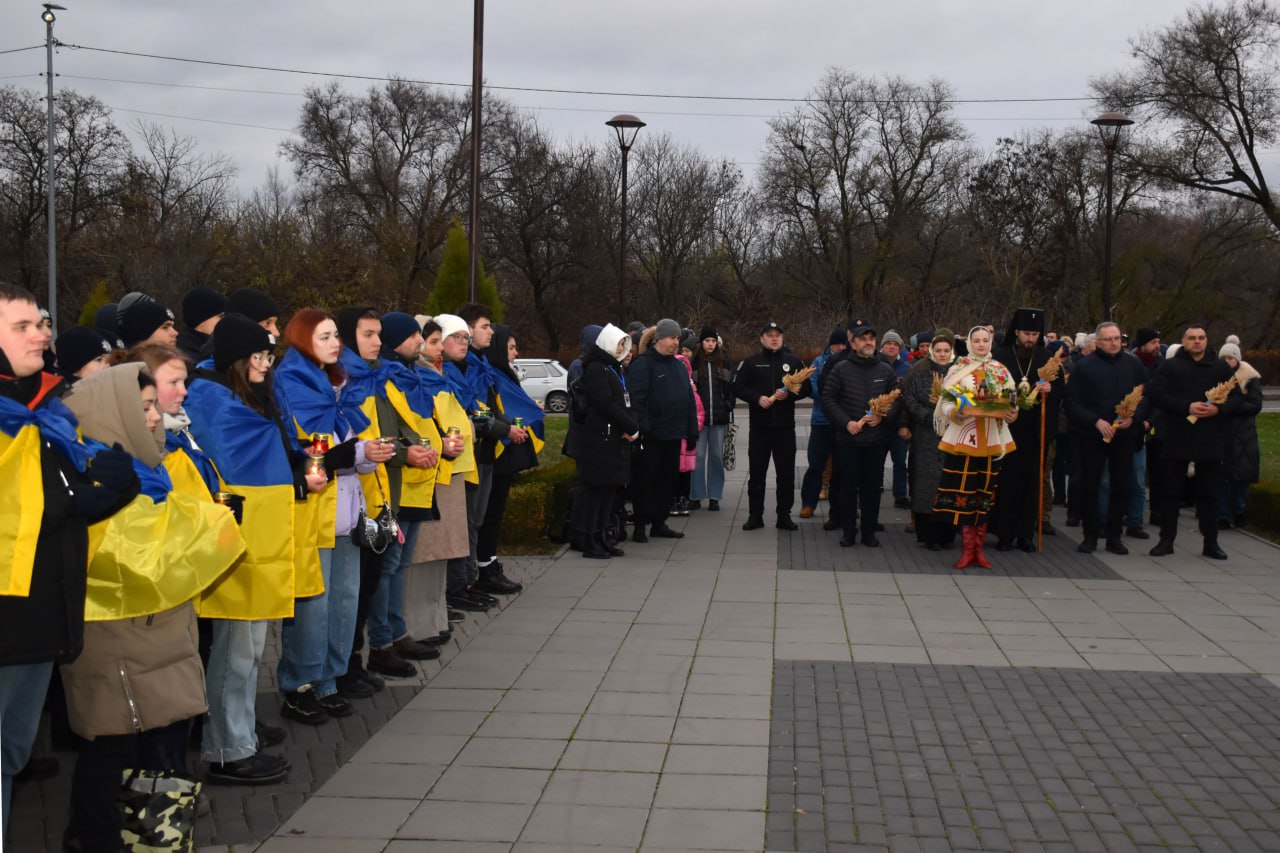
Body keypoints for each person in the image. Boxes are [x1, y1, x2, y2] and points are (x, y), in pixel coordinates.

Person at [60, 363, 243, 846]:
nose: (153, 415)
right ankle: (102, 840)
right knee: (115, 749)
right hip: (121, 640)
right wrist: (211, 526)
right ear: (112, 411)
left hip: (151, 635)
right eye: (140, 407)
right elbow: (133, 557)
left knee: (153, 751)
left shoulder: (147, 468)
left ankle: (151, 840)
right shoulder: (100, 472)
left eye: (150, 405)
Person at [0, 284, 140, 842]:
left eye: (42, 323)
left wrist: (96, 487)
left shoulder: (45, 411)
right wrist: (88, 495)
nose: (42, 333)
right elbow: (37, 504)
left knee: (11, 752)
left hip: (41, 616)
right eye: (23, 326)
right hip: (10, 614)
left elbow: (57, 493)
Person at [186, 314, 317, 783]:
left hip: (256, 542)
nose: (266, 365)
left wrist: (299, 467)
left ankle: (238, 737)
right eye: (259, 356)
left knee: (247, 651)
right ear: (236, 360)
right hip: (238, 545)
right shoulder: (215, 403)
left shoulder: (240, 398)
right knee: (235, 653)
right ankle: (226, 748)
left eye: (268, 356)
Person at [273, 308, 390, 724]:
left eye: (336, 335)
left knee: (344, 600)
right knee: (314, 605)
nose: (335, 343)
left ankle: (329, 679)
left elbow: (348, 442)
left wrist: (367, 455)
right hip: (313, 513)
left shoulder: (340, 382)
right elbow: (310, 451)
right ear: (304, 340)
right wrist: (356, 453)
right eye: (324, 337)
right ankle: (298, 684)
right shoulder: (292, 383)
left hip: (347, 508)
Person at [444, 305, 526, 605]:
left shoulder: (478, 365)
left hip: (484, 451)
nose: (490, 332)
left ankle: (468, 581)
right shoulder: (452, 371)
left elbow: (487, 407)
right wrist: (504, 430)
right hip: (469, 453)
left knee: (475, 520)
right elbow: (473, 412)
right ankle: (460, 585)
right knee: (465, 521)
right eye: (484, 326)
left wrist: (505, 426)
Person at [1146, 324, 1239, 559]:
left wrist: (1218, 410)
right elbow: (1156, 394)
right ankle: (1166, 540)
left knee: (1209, 494)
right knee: (1171, 493)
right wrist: (1186, 406)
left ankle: (1211, 542)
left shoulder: (1219, 367)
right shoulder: (1171, 366)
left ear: (1207, 341)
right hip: (1177, 435)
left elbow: (1236, 398)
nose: (1197, 342)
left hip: (1210, 437)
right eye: (1192, 338)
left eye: (1201, 338)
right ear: (1184, 341)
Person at [933, 326, 1017, 570]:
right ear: (970, 343)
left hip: (992, 439)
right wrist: (956, 411)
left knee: (985, 496)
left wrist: (1012, 413)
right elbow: (946, 402)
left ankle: (978, 550)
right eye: (977, 340)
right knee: (965, 495)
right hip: (964, 439)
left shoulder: (1000, 371)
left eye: (985, 340)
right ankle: (967, 549)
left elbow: (1011, 399)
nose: (981, 344)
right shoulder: (958, 369)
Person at [1064, 321, 1148, 555]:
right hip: (1093, 435)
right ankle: (1090, 535)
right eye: (1108, 339)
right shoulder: (1084, 367)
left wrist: (1135, 418)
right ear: (1098, 342)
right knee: (1090, 485)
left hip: (1124, 434)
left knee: (1121, 485)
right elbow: (1071, 401)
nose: (1114, 343)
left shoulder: (1133, 365)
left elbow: (1147, 395)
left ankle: (1114, 537)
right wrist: (1095, 421)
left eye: (1117, 339)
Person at [822, 321, 901, 547]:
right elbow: (828, 399)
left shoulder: (885, 369)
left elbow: (896, 399)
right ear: (853, 343)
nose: (868, 342)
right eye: (863, 338)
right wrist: (846, 422)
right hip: (849, 440)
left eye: (871, 339)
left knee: (872, 488)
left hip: (876, 441)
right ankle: (849, 531)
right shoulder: (841, 368)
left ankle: (869, 531)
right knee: (847, 487)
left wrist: (883, 417)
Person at [989, 308, 1061, 552]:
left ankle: (1025, 535)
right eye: (1026, 333)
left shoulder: (1047, 359)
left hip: (1034, 432)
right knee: (1007, 483)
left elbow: (1061, 394)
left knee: (1032, 485)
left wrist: (1051, 391)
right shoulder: (1000, 356)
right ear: (1017, 332)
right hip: (1007, 429)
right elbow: (992, 388)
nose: (1030, 338)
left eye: (1034, 333)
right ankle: (1004, 534)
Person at [476, 324, 542, 587]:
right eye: (511, 347)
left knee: (493, 513)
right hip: (494, 452)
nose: (515, 353)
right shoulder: (492, 374)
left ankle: (489, 564)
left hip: (498, 452)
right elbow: (497, 409)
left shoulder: (500, 373)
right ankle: (485, 568)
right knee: (488, 514)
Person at [733, 321, 810, 531]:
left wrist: (788, 395)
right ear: (762, 339)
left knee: (786, 474)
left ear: (782, 338)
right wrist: (757, 398)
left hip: (785, 429)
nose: (774, 338)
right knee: (757, 473)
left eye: (778, 335)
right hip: (760, 429)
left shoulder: (794, 362)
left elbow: (807, 388)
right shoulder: (751, 362)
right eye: (769, 335)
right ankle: (755, 515)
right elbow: (738, 387)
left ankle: (784, 515)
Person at [573, 324, 640, 558]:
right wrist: (630, 426)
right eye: (620, 344)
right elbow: (605, 403)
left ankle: (602, 537)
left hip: (613, 438)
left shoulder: (613, 368)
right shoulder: (596, 368)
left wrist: (630, 425)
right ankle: (590, 540)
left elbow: (624, 401)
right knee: (596, 492)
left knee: (608, 492)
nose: (623, 348)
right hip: (600, 438)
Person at [628, 319, 698, 541]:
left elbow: (688, 400)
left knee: (667, 482)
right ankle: (640, 524)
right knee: (645, 481)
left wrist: (691, 430)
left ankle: (659, 522)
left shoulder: (678, 366)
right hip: (652, 437)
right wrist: (645, 428)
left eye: (678, 338)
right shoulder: (643, 364)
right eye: (672, 338)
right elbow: (637, 400)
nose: (676, 342)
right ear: (658, 339)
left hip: (674, 434)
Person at [902, 328, 955, 550]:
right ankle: (927, 533)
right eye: (938, 350)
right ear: (932, 351)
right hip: (925, 434)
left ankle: (947, 533)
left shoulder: (959, 371)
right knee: (924, 483)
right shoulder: (919, 370)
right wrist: (931, 416)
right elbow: (910, 400)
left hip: (953, 434)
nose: (942, 354)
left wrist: (953, 415)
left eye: (946, 350)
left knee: (948, 484)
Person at [800, 329, 847, 518]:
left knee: (843, 466)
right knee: (816, 465)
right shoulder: (819, 362)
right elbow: (811, 386)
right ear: (831, 345)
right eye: (838, 344)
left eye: (844, 344)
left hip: (843, 421)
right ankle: (808, 503)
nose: (841, 348)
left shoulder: (850, 361)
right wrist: (830, 397)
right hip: (821, 420)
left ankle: (843, 505)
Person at [1217, 342, 1262, 529]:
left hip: (1244, 433)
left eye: (1231, 358)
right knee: (1223, 476)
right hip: (1224, 432)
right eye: (1224, 358)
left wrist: (1233, 405)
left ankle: (1239, 511)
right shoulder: (1217, 377)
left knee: (1242, 477)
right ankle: (1224, 515)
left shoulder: (1250, 378)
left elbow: (1255, 405)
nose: (1228, 361)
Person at [689, 326, 733, 512]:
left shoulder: (724, 362)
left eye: (713, 341)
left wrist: (729, 405)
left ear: (717, 343)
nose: (710, 344)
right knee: (698, 457)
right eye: (707, 341)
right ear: (702, 343)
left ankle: (715, 495)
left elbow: (731, 388)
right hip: (699, 418)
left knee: (715, 456)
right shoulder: (693, 362)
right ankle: (696, 495)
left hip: (719, 418)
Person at [880, 330, 912, 510]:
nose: (891, 347)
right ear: (882, 346)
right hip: (878, 424)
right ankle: (875, 488)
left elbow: (908, 400)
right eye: (888, 343)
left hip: (898, 425)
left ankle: (900, 494)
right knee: (875, 462)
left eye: (895, 344)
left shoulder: (907, 368)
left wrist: (904, 424)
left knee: (900, 461)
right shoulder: (875, 365)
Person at [177, 286, 226, 360]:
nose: (226, 321)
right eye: (221, 316)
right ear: (202, 320)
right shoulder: (185, 357)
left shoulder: (217, 346)